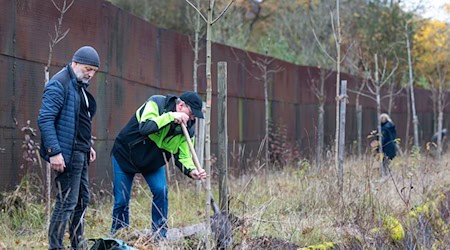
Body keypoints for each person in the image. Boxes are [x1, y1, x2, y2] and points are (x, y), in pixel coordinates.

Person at [110, 91, 207, 238]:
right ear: (180, 106)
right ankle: (118, 236)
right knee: (121, 200)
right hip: (125, 155)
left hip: (152, 163)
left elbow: (184, 156)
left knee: (161, 191)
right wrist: (170, 117)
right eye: (192, 114)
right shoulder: (156, 103)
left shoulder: (187, 130)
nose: (192, 118)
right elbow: (145, 127)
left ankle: (159, 236)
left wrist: (192, 170)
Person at [38, 46, 100, 250]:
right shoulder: (60, 83)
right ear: (75, 63)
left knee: (82, 200)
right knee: (66, 203)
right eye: (87, 68)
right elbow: (45, 119)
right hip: (66, 154)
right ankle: (55, 247)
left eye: (94, 70)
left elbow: (78, 120)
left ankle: (77, 244)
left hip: (80, 151)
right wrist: (54, 152)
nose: (90, 73)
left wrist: (87, 144)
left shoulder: (78, 85)